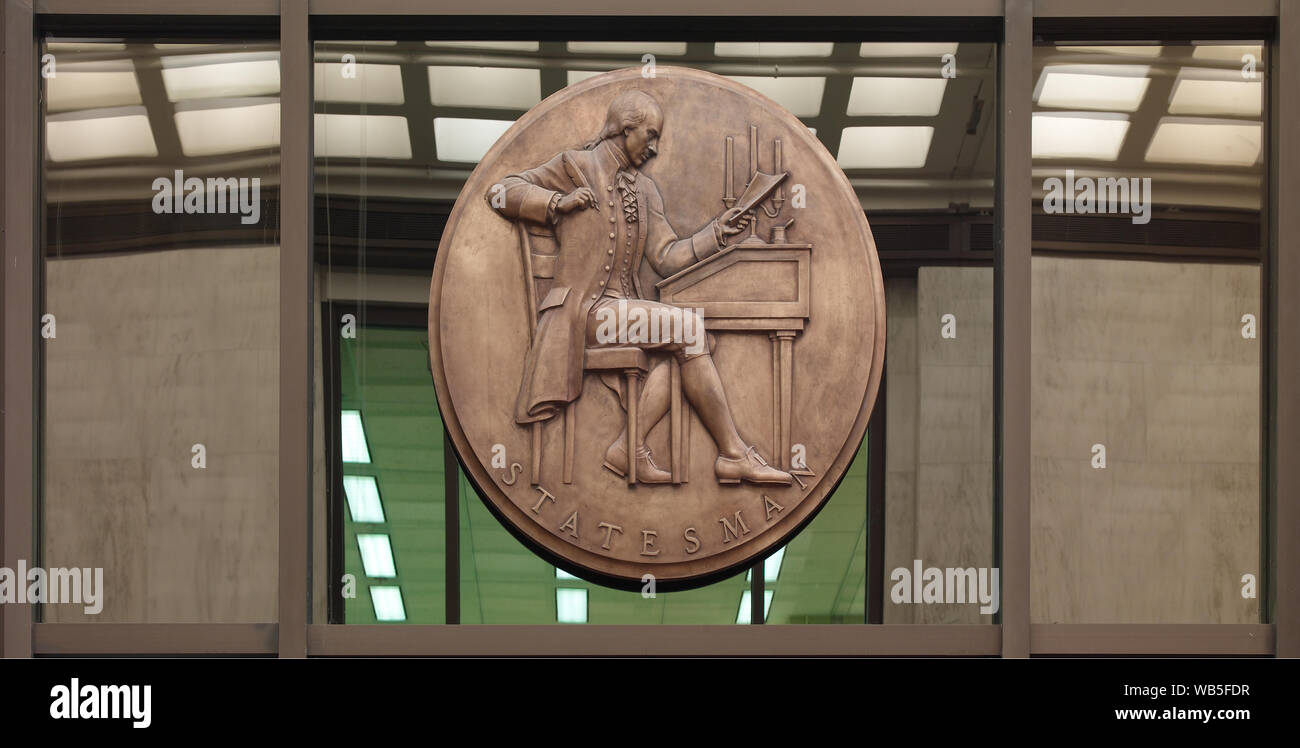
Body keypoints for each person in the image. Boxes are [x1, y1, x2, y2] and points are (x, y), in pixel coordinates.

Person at [489, 89, 790, 486]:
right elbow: (499, 192)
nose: (655, 147)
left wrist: (717, 232)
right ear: (624, 128)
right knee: (690, 332)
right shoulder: (574, 166)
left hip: (620, 313)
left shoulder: (645, 191)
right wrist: (555, 204)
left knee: (691, 341)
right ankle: (733, 453)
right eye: (650, 135)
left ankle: (628, 447)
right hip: (582, 314)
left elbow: (666, 256)